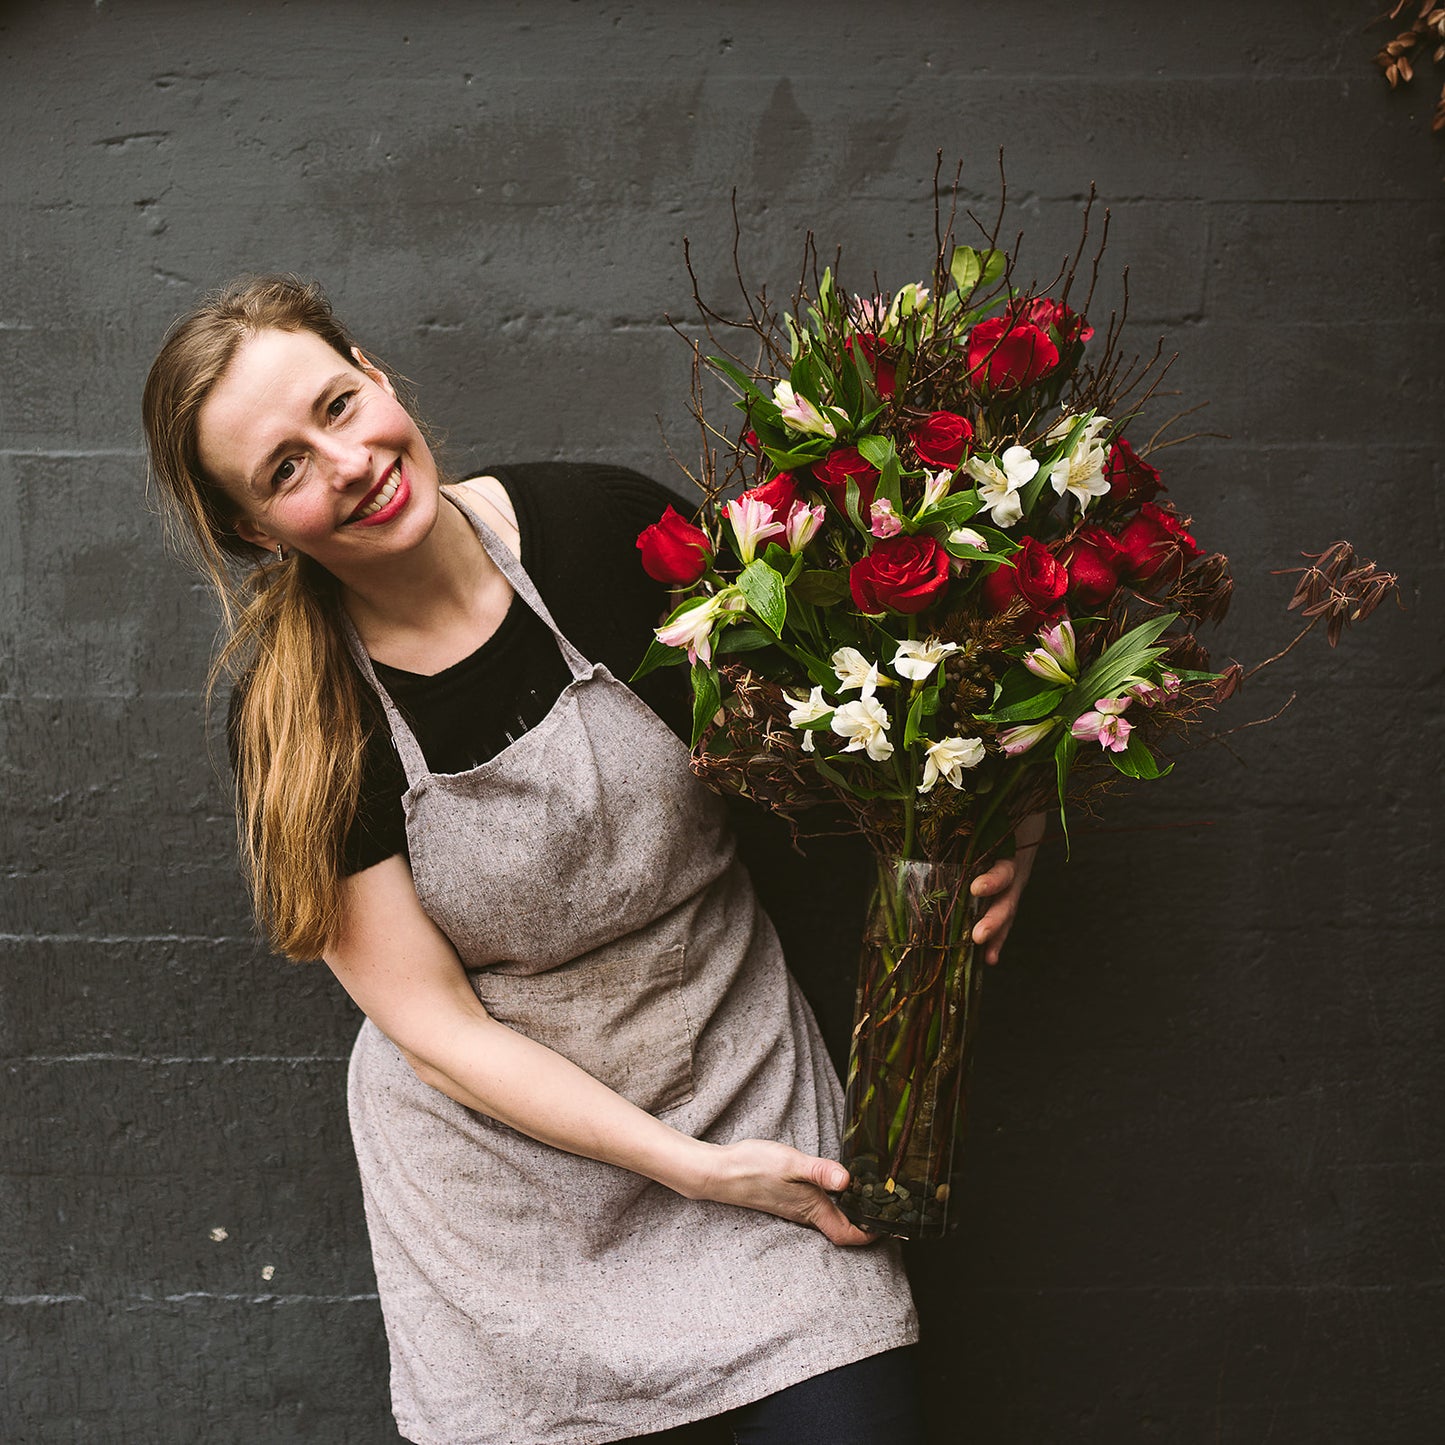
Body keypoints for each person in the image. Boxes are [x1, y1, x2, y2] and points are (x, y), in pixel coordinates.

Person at [142, 275, 1038, 1445]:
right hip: (504, 1198)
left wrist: (993, 817)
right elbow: (437, 1029)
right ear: (257, 530)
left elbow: (876, 687)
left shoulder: (604, 535)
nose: (347, 460)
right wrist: (687, 1168)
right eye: (285, 468)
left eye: (338, 405)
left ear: (377, 373)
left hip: (736, 1083)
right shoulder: (291, 712)